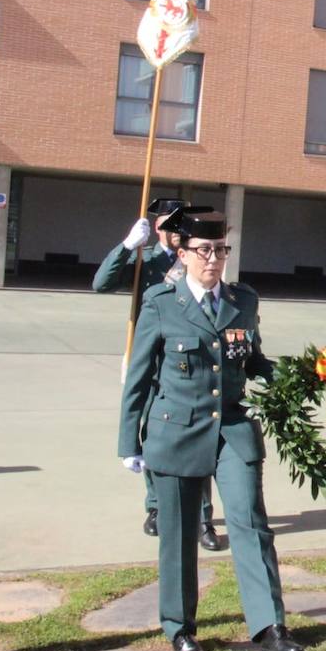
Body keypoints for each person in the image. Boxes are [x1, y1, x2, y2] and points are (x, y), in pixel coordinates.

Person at [117, 208, 301, 651]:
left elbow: (253, 360)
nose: (214, 260)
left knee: (251, 525)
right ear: (183, 253)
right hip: (175, 431)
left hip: (233, 431)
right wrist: (129, 443)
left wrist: (302, 377)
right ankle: (181, 631)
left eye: (221, 250)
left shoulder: (243, 301)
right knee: (178, 535)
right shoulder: (161, 302)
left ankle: (269, 627)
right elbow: (138, 379)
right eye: (204, 251)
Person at [94, 198, 219, 551]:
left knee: (198, 432)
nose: (177, 231)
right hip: (149, 354)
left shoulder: (195, 258)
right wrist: (126, 246)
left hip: (186, 357)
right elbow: (100, 284)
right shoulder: (144, 260)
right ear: (159, 227)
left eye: (182, 225)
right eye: (171, 224)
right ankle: (156, 506)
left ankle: (203, 517)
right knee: (154, 433)